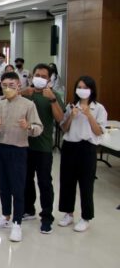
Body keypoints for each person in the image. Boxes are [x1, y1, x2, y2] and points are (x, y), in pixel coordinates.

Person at [0, 72, 43, 242]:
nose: (7, 88)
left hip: (19, 149)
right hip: (2, 148)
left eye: (11, 85)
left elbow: (39, 128)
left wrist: (29, 126)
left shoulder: (28, 105)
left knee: (18, 187)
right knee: (3, 186)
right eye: (4, 85)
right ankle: (5, 217)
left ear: (19, 86)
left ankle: (17, 223)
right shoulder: (0, 104)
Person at [58, 76, 107, 233]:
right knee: (67, 181)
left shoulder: (98, 108)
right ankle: (68, 213)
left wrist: (89, 115)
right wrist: (71, 116)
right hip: (69, 147)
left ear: (91, 90)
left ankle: (86, 217)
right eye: (79, 87)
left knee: (86, 184)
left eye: (85, 87)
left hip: (87, 148)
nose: (82, 90)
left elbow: (99, 132)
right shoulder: (71, 105)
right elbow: (64, 128)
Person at [20, 64, 64, 234]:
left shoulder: (53, 95)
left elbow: (60, 119)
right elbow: (6, 102)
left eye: (43, 76)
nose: (39, 78)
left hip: (43, 146)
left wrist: (52, 99)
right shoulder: (26, 93)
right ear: (32, 76)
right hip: (24, 144)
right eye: (37, 74)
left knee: (44, 182)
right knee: (26, 179)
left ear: (49, 79)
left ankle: (47, 216)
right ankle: (28, 209)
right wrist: (21, 92)